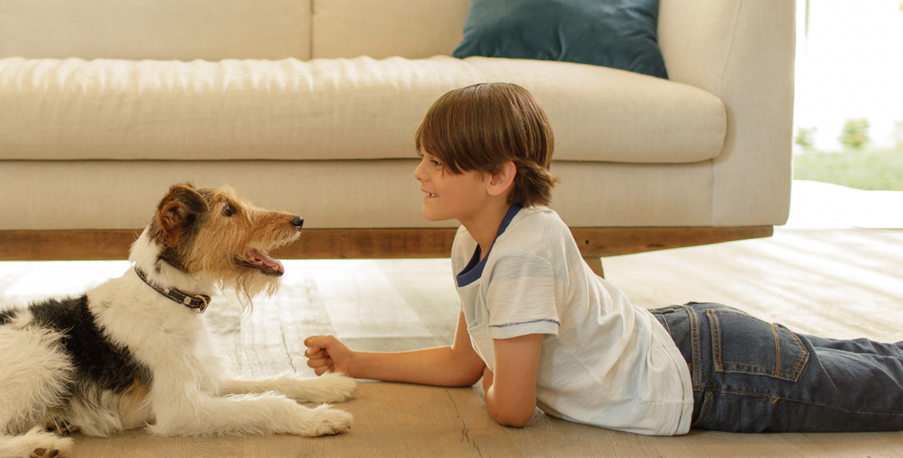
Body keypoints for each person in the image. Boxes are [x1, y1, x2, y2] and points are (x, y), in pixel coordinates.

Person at [302, 82, 903, 434]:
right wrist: (357, 360)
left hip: (709, 377)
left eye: (436, 162)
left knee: (882, 389)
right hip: (687, 343)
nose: (419, 173)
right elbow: (466, 363)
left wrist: (504, 378)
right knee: (872, 363)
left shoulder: (522, 255)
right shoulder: (476, 239)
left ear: (496, 177)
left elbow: (511, 408)